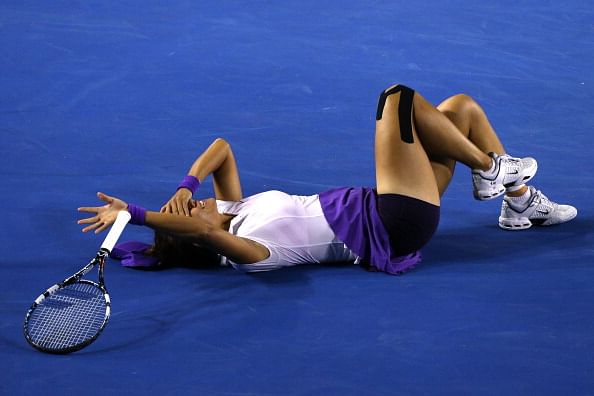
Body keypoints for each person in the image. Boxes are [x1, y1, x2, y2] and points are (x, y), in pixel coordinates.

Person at [78, 84, 577, 275]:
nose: (202, 206)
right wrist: (136, 215)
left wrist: (187, 185)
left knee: (459, 110)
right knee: (397, 100)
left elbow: (222, 149)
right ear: (196, 237)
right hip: (394, 221)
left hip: (391, 201)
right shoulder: (248, 254)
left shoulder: (233, 209)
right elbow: (205, 232)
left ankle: (518, 201)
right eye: (194, 211)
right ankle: (492, 170)